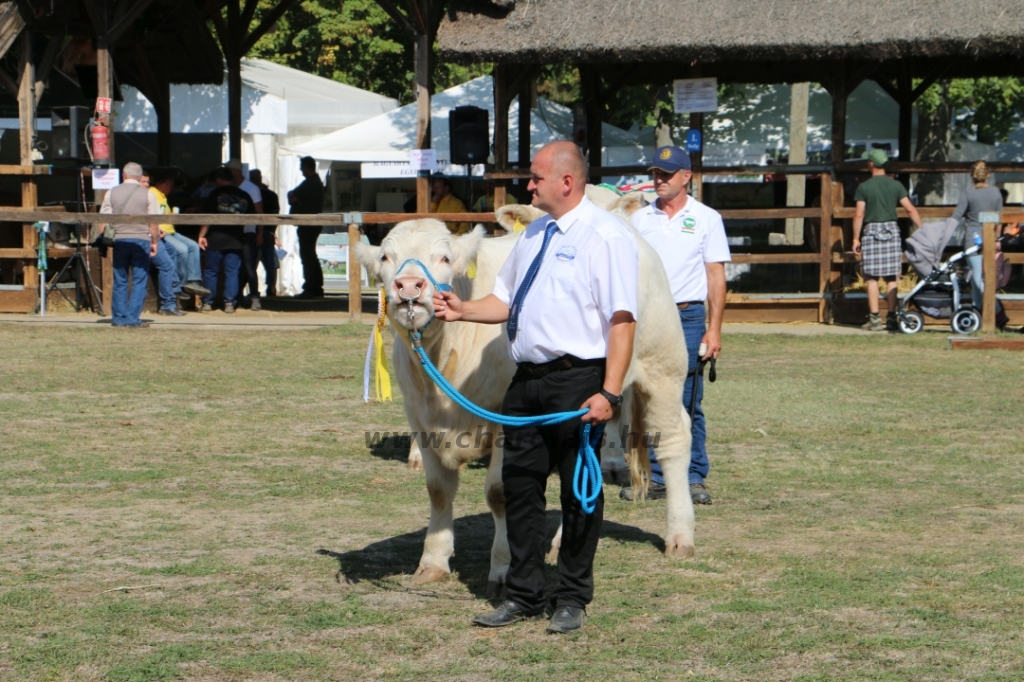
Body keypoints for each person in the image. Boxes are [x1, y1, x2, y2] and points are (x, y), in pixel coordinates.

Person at [433, 141, 638, 634]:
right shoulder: (535, 233)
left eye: (536, 177)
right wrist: (462, 310)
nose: (528, 185)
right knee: (519, 487)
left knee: (579, 494)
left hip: (579, 381)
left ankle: (571, 597)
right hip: (526, 382)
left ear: (566, 182)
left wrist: (609, 393)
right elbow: (504, 300)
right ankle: (524, 594)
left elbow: (622, 320)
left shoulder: (605, 236)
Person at [619, 146, 730, 506]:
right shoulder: (639, 219)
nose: (659, 179)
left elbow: (716, 276)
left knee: (687, 399)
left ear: (687, 176)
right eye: (656, 173)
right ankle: (651, 474)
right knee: (641, 395)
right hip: (647, 315)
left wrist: (714, 329)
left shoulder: (706, 218)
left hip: (687, 315)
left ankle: (693, 475)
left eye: (667, 173)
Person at [852, 149, 922, 331]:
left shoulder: (864, 187)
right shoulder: (896, 186)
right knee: (892, 277)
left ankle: (875, 319)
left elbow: (859, 215)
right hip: (891, 231)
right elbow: (911, 210)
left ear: (871, 164)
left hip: (872, 232)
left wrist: (855, 238)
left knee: (871, 278)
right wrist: (922, 230)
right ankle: (891, 318)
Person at [99, 162, 162, 328]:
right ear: (140, 176)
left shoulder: (111, 192)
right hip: (141, 240)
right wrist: (155, 242)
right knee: (139, 281)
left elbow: (103, 220)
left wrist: (103, 241)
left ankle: (118, 319)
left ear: (124, 175)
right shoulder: (148, 194)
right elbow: (154, 222)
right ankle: (132, 318)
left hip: (119, 240)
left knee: (120, 281)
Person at [952, 160, 1007, 329]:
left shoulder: (968, 193)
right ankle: (980, 313)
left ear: (972, 175)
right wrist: (997, 239)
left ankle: (996, 310)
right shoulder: (996, 192)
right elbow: (999, 218)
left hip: (972, 237)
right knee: (982, 278)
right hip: (990, 237)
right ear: (988, 175)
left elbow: (957, 214)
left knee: (977, 278)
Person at [147, 168, 210, 301]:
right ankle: (182, 283)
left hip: (171, 230)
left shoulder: (161, 195)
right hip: (162, 231)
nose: (171, 188)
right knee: (182, 250)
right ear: (166, 184)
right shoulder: (152, 194)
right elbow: (153, 215)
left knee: (193, 246)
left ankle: (194, 280)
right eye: (170, 185)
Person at [197, 167, 255, 313]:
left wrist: (202, 235)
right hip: (236, 239)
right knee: (232, 272)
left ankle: (208, 302)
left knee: (211, 271)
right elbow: (252, 217)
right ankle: (229, 303)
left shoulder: (214, 194)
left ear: (219, 180)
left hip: (215, 239)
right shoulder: (244, 195)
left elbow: (207, 218)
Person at [225, 159, 265, 310]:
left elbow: (260, 212)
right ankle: (237, 297)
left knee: (249, 266)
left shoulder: (251, 188)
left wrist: (259, 232)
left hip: (248, 232)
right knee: (234, 266)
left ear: (235, 172)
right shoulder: (230, 187)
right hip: (233, 233)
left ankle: (255, 296)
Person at [288, 156, 325, 298]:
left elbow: (292, 197)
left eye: (302, 167)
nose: (300, 170)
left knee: (307, 255)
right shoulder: (315, 182)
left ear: (307, 167)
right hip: (311, 223)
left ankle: (311, 286)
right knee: (310, 254)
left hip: (309, 224)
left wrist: (294, 199)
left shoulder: (311, 183)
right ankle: (315, 286)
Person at [250, 168, 280, 298]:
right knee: (262, 263)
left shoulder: (267, 195)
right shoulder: (269, 194)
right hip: (256, 230)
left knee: (268, 262)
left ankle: (270, 287)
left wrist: (272, 232)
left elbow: (275, 215)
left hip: (263, 230)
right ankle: (261, 289)